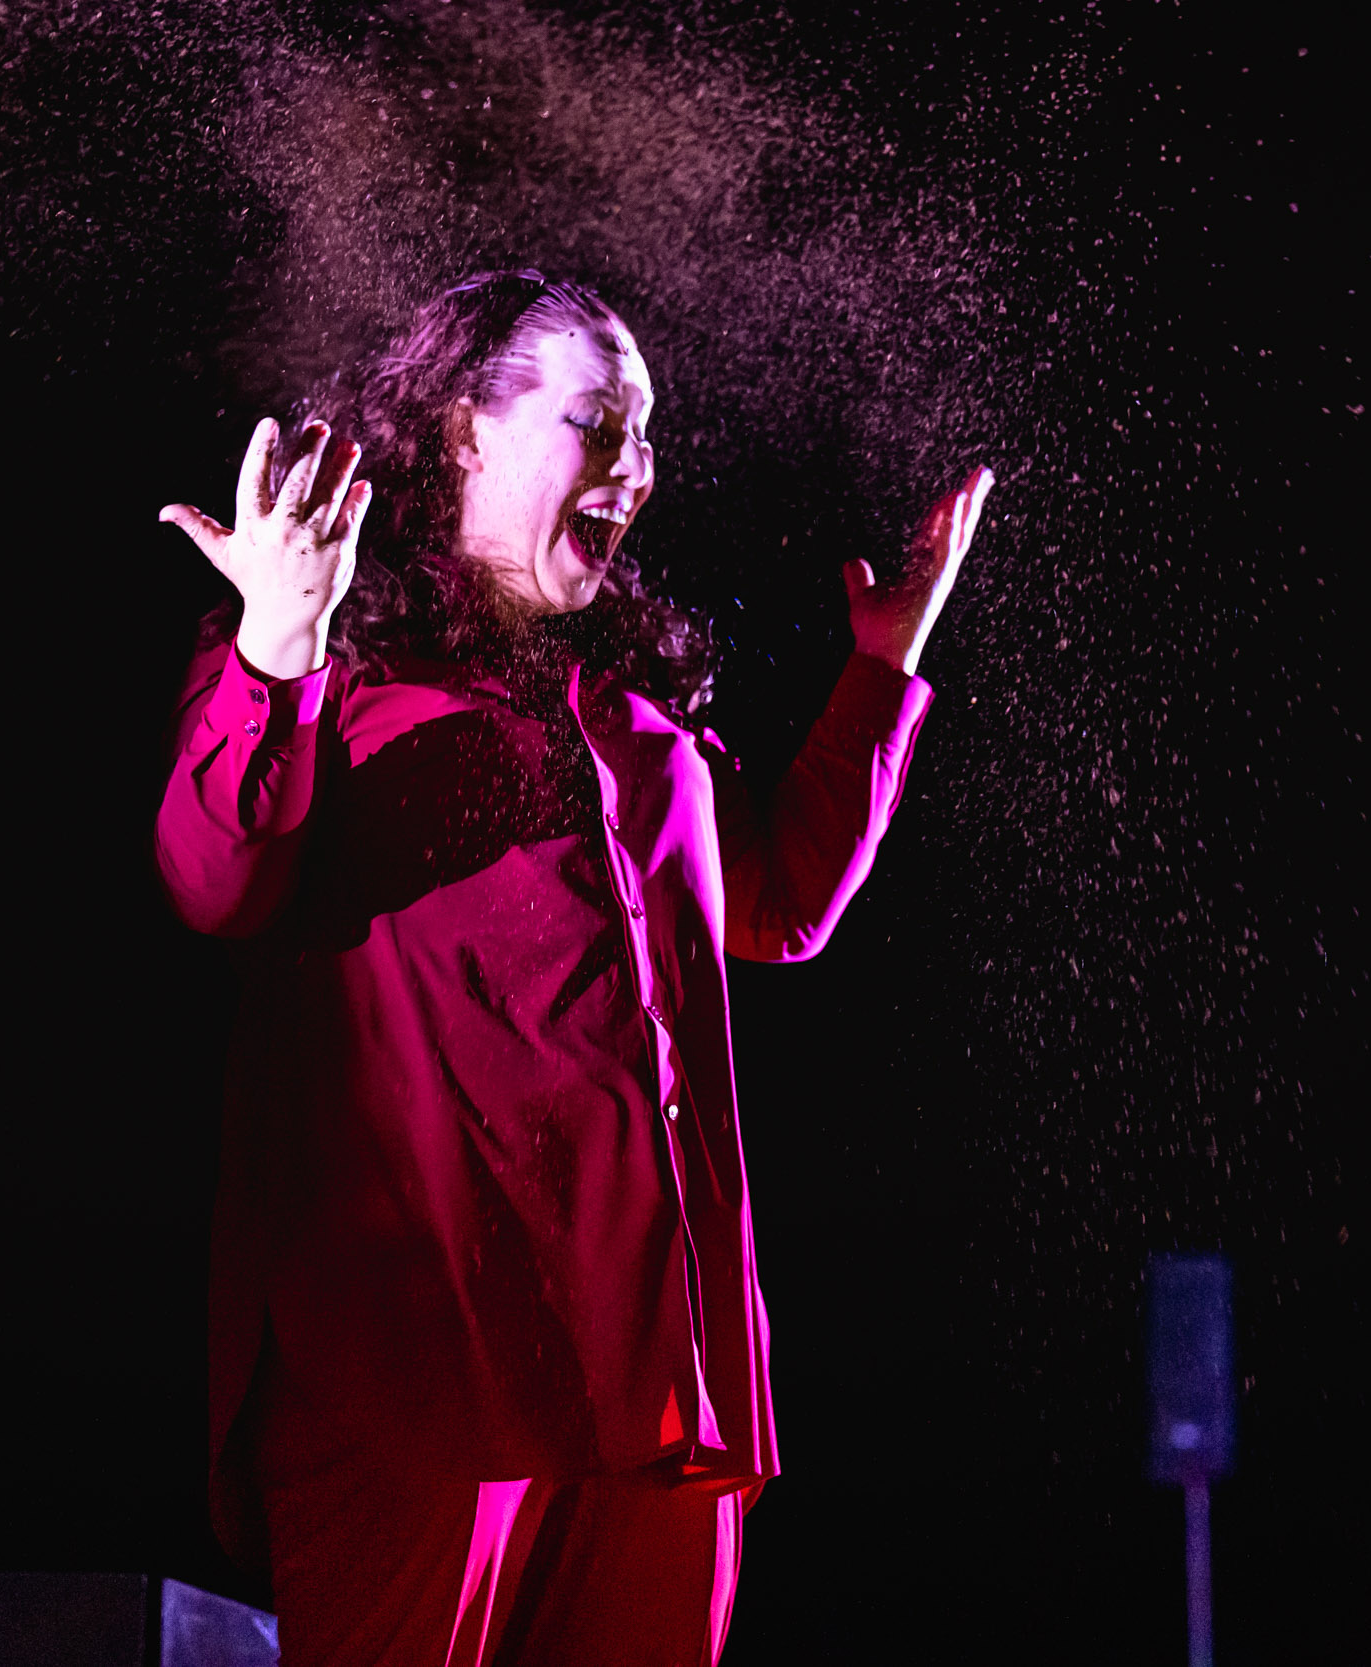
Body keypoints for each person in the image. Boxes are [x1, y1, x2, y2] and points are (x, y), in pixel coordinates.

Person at [156, 270, 992, 1667]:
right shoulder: (338, 670)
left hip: (652, 1380)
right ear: (463, 433)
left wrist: (882, 669)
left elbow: (776, 907)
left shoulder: (635, 707)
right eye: (598, 424)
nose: (635, 467)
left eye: (646, 436)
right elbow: (213, 882)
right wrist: (275, 646)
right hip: (420, 1372)